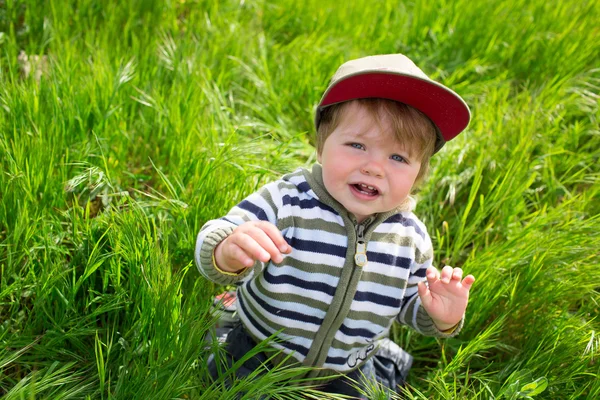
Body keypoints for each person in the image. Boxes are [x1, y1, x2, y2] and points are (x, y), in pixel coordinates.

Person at [196, 53, 475, 398]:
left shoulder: (410, 239)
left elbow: (409, 306)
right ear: (321, 147)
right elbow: (220, 233)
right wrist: (228, 250)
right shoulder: (287, 200)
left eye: (398, 157)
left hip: (348, 368)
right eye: (357, 145)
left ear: (419, 173)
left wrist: (441, 316)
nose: (374, 167)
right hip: (259, 351)